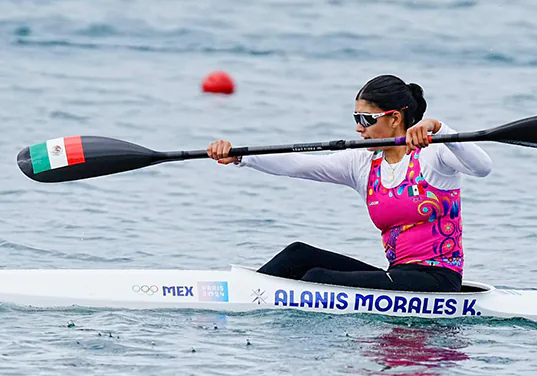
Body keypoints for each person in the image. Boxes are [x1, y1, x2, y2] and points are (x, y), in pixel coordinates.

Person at [207, 75, 493, 292]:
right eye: (356, 118)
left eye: (366, 119)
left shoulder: (435, 154)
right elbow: (299, 164)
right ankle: (243, 294)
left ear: (395, 118)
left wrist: (438, 128)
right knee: (298, 255)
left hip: (438, 280)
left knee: (316, 280)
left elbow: (482, 167)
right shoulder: (364, 164)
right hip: (399, 274)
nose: (359, 128)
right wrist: (240, 157)